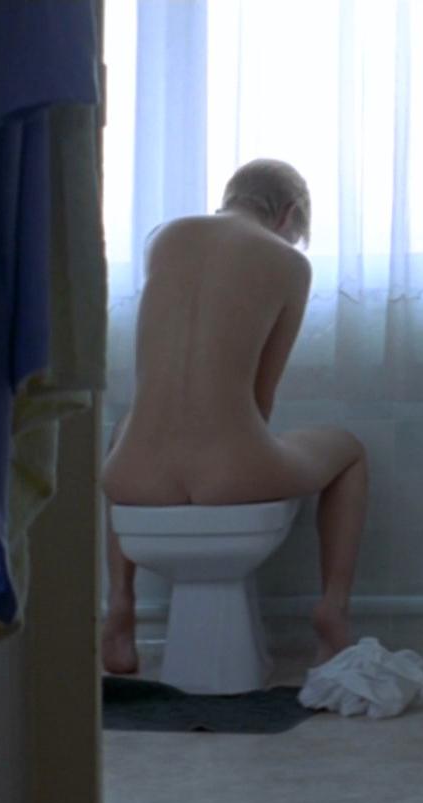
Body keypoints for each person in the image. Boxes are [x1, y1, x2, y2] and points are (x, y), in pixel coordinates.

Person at [100, 159, 368, 674]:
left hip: (133, 475)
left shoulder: (166, 238)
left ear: (231, 197)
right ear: (289, 214)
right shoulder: (288, 263)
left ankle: (120, 607)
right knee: (350, 451)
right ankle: (333, 611)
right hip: (228, 471)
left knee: (126, 427)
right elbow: (261, 396)